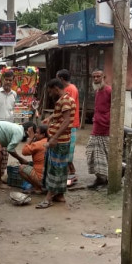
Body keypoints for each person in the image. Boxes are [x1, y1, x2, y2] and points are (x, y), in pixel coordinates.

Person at [36, 78, 76, 208]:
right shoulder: (65, 99)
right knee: (59, 167)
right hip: (61, 139)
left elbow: (66, 121)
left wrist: (54, 138)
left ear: (56, 89)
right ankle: (59, 195)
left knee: (56, 168)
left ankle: (49, 198)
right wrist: (51, 118)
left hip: (59, 141)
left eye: (50, 91)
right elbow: (61, 116)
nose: (50, 93)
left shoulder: (64, 100)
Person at [0, 70, 17, 185]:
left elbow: (11, 111)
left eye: (10, 80)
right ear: (2, 80)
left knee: (5, 155)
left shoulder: (14, 94)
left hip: (8, 129)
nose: (8, 82)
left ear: (13, 81)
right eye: (6, 79)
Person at [86, 69, 112, 189]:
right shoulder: (97, 91)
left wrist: (107, 120)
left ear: (103, 77)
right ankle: (100, 178)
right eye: (94, 77)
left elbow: (114, 108)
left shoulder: (109, 90)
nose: (96, 79)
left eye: (98, 77)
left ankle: (105, 179)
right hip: (97, 126)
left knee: (105, 154)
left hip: (106, 127)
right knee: (92, 152)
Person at [56, 69, 80, 185]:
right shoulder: (69, 88)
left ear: (61, 79)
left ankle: (70, 174)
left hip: (70, 123)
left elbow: (67, 107)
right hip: (68, 123)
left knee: (68, 151)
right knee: (66, 150)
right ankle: (70, 173)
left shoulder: (70, 89)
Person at [18, 124, 48, 192]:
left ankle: (37, 187)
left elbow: (24, 151)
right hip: (49, 178)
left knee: (21, 168)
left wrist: (31, 138)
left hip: (41, 178)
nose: (35, 134)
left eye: (37, 133)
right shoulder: (50, 141)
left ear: (43, 135)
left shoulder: (38, 144)